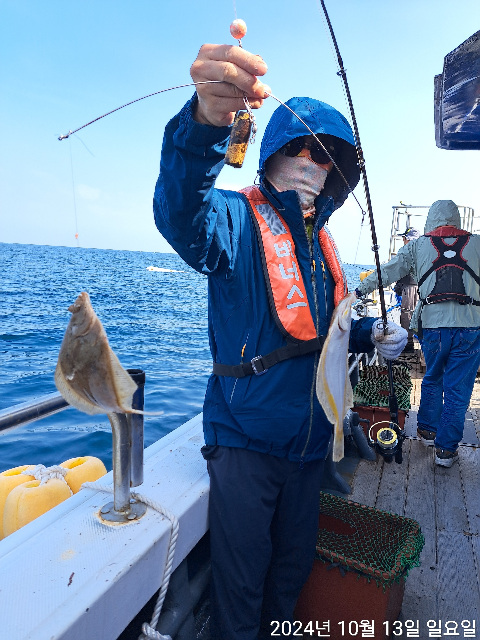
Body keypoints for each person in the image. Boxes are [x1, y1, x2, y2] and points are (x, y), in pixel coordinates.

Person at [153, 42, 407, 639]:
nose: (311, 163)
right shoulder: (234, 219)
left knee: (290, 573)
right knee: (241, 584)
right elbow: (180, 213)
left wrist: (372, 334)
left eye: (326, 156)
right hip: (246, 442)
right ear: (269, 154)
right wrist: (205, 125)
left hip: (312, 444)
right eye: (299, 148)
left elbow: (323, 333)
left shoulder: (324, 244)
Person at [357, 200, 480, 468]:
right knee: (458, 390)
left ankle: (427, 431)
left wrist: (359, 290)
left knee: (433, 377)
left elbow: (387, 271)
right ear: (457, 219)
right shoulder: (478, 243)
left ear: (431, 220)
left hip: (432, 327)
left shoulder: (417, 246)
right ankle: (445, 451)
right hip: (470, 326)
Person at [393, 226, 420, 353]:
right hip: (417, 286)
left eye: (404, 238)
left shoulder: (409, 251)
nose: (403, 240)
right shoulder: (420, 251)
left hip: (410, 287)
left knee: (407, 314)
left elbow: (399, 269)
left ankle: (408, 344)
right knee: (414, 314)